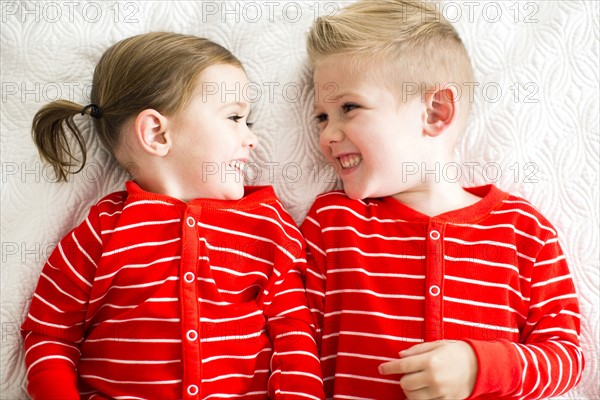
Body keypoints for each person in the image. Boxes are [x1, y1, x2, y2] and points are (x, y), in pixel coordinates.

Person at [300, 1, 584, 399]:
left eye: (349, 108)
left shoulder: (523, 231)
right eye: (321, 117)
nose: (328, 135)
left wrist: (478, 367)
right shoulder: (332, 223)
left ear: (436, 111)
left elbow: (566, 357)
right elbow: (292, 338)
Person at [21, 32, 324, 400]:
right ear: (156, 133)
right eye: (235, 118)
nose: (251, 139)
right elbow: (49, 333)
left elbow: (294, 333)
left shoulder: (267, 223)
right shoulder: (102, 231)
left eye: (251, 123)